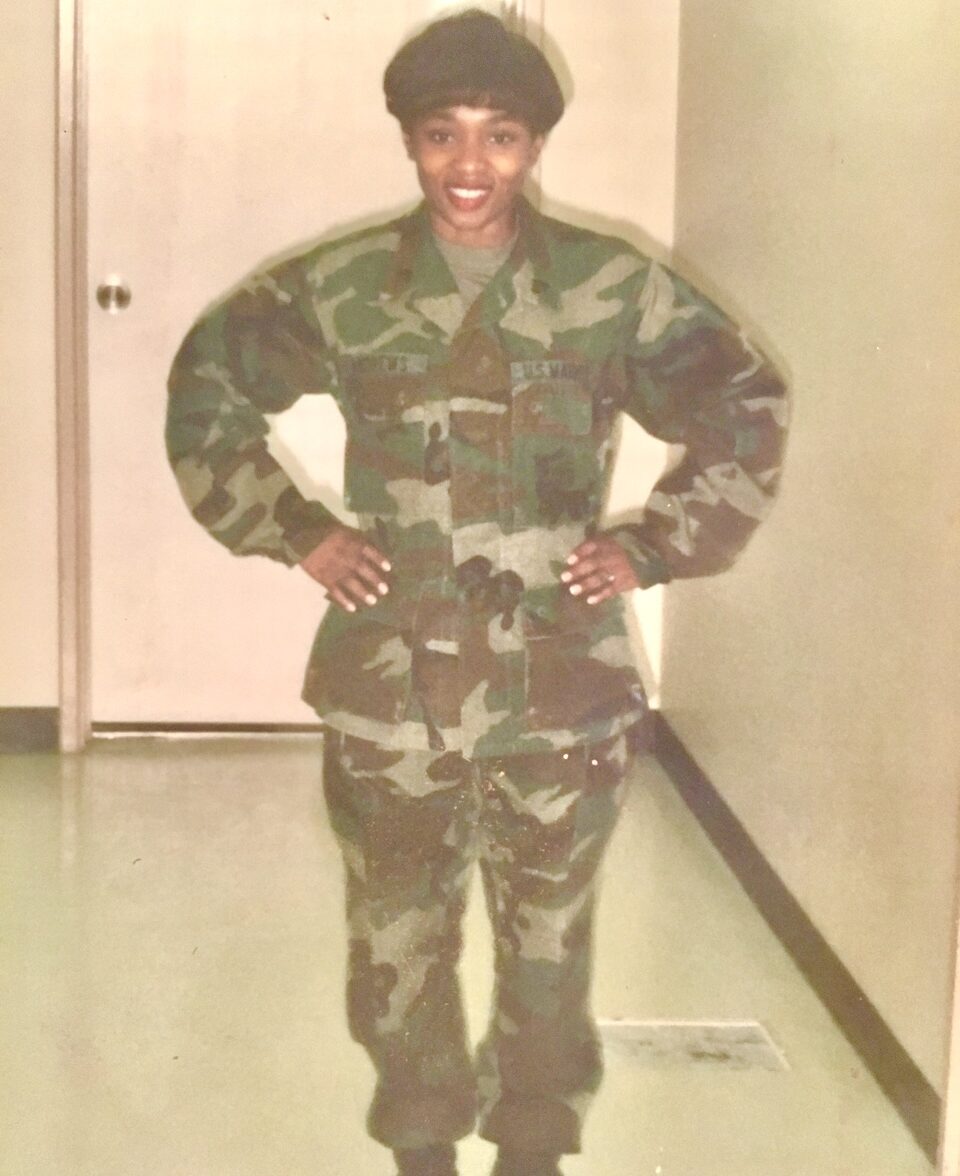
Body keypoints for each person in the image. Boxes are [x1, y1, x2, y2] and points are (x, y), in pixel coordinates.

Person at [165, 10, 789, 1175]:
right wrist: (297, 531)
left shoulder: (609, 287)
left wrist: (653, 546)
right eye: (442, 135)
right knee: (398, 930)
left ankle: (536, 1139)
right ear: (408, 141)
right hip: (392, 681)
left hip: (562, 679)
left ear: (534, 147)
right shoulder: (345, 285)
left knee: (548, 936)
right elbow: (206, 388)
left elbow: (746, 405)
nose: (469, 165)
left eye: (500, 137)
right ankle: (418, 1137)